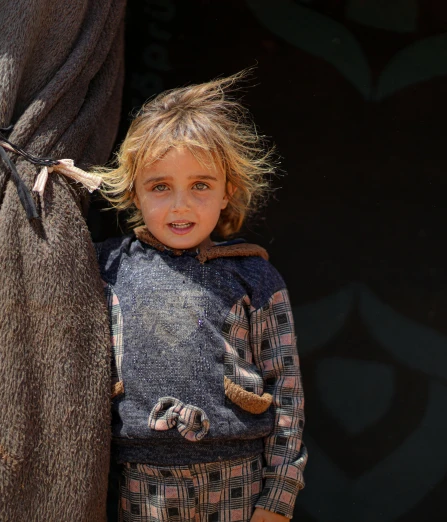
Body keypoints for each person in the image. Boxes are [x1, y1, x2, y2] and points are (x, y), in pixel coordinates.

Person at [93, 71, 307, 522]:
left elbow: (286, 390)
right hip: (144, 479)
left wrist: (279, 497)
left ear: (228, 190)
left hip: (238, 478)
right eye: (160, 187)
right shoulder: (106, 270)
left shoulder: (256, 277)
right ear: (133, 190)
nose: (180, 206)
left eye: (201, 185)